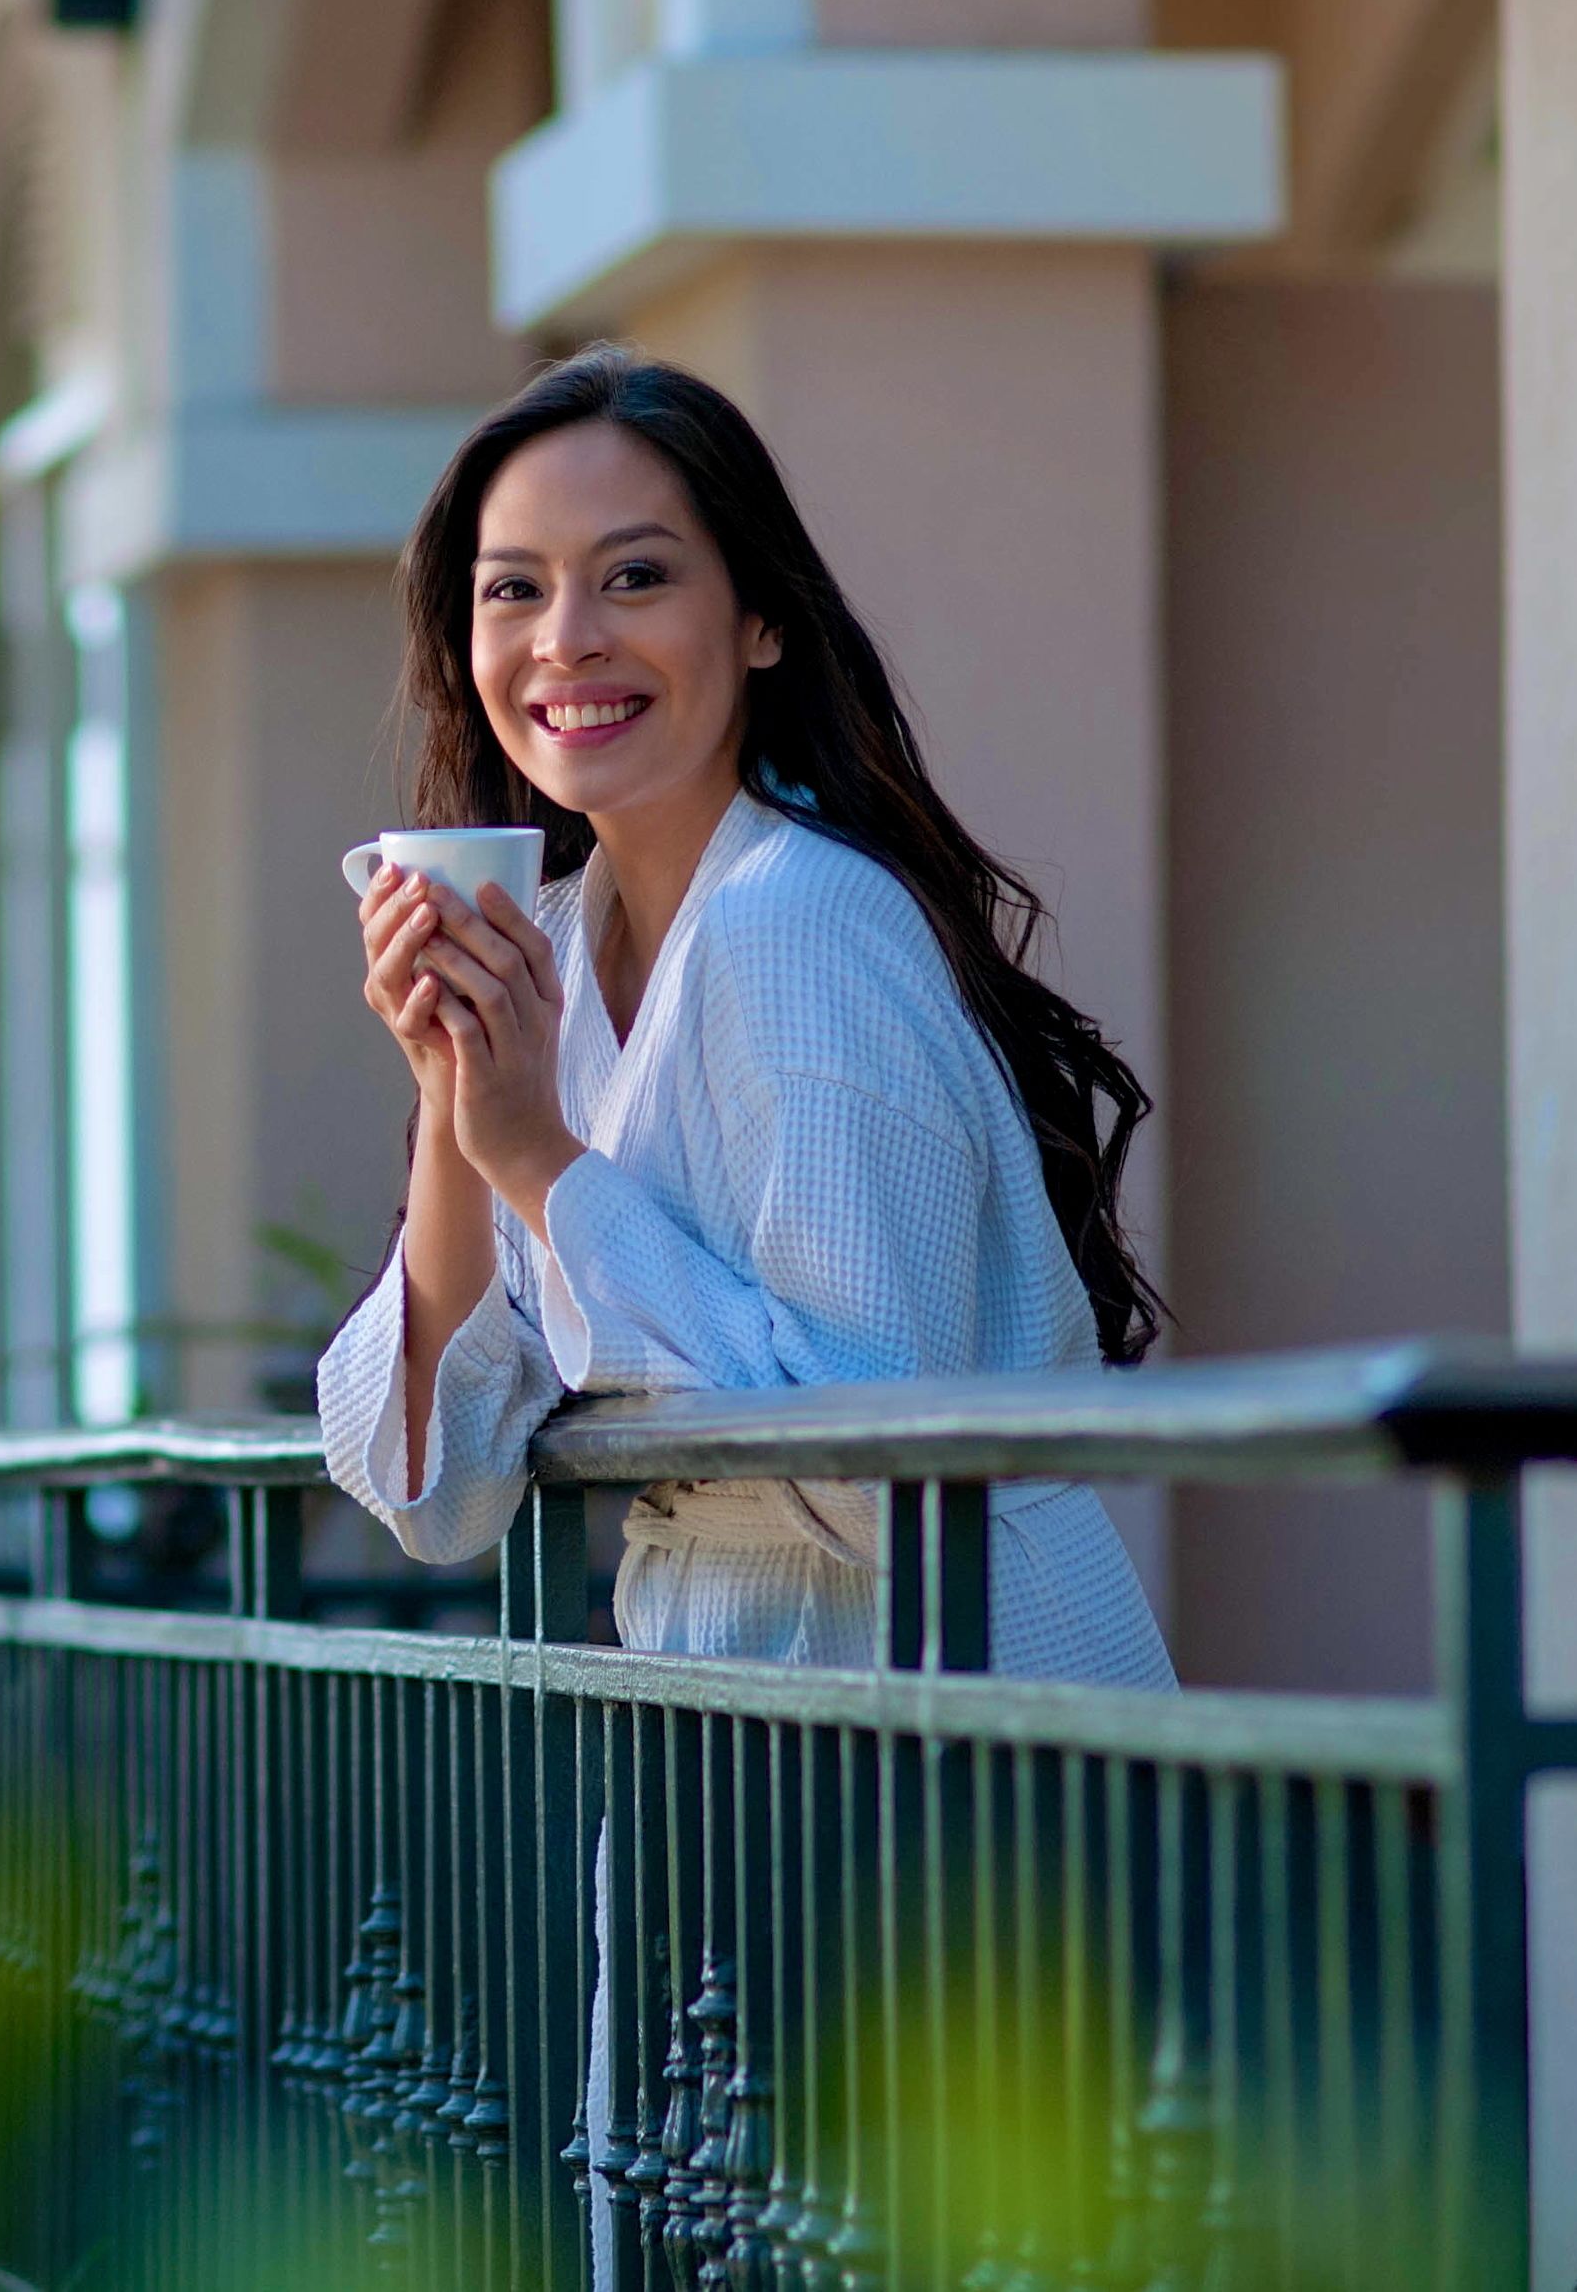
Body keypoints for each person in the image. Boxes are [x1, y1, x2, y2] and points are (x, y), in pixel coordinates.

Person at [314, 347, 1173, 1689]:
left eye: (636, 575)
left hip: (961, 1738)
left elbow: (882, 1468)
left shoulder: (799, 921)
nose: (568, 638)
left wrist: (541, 1160)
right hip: (737, 1736)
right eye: (513, 589)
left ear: (763, 619)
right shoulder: (559, 936)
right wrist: (456, 1087)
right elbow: (438, 1484)